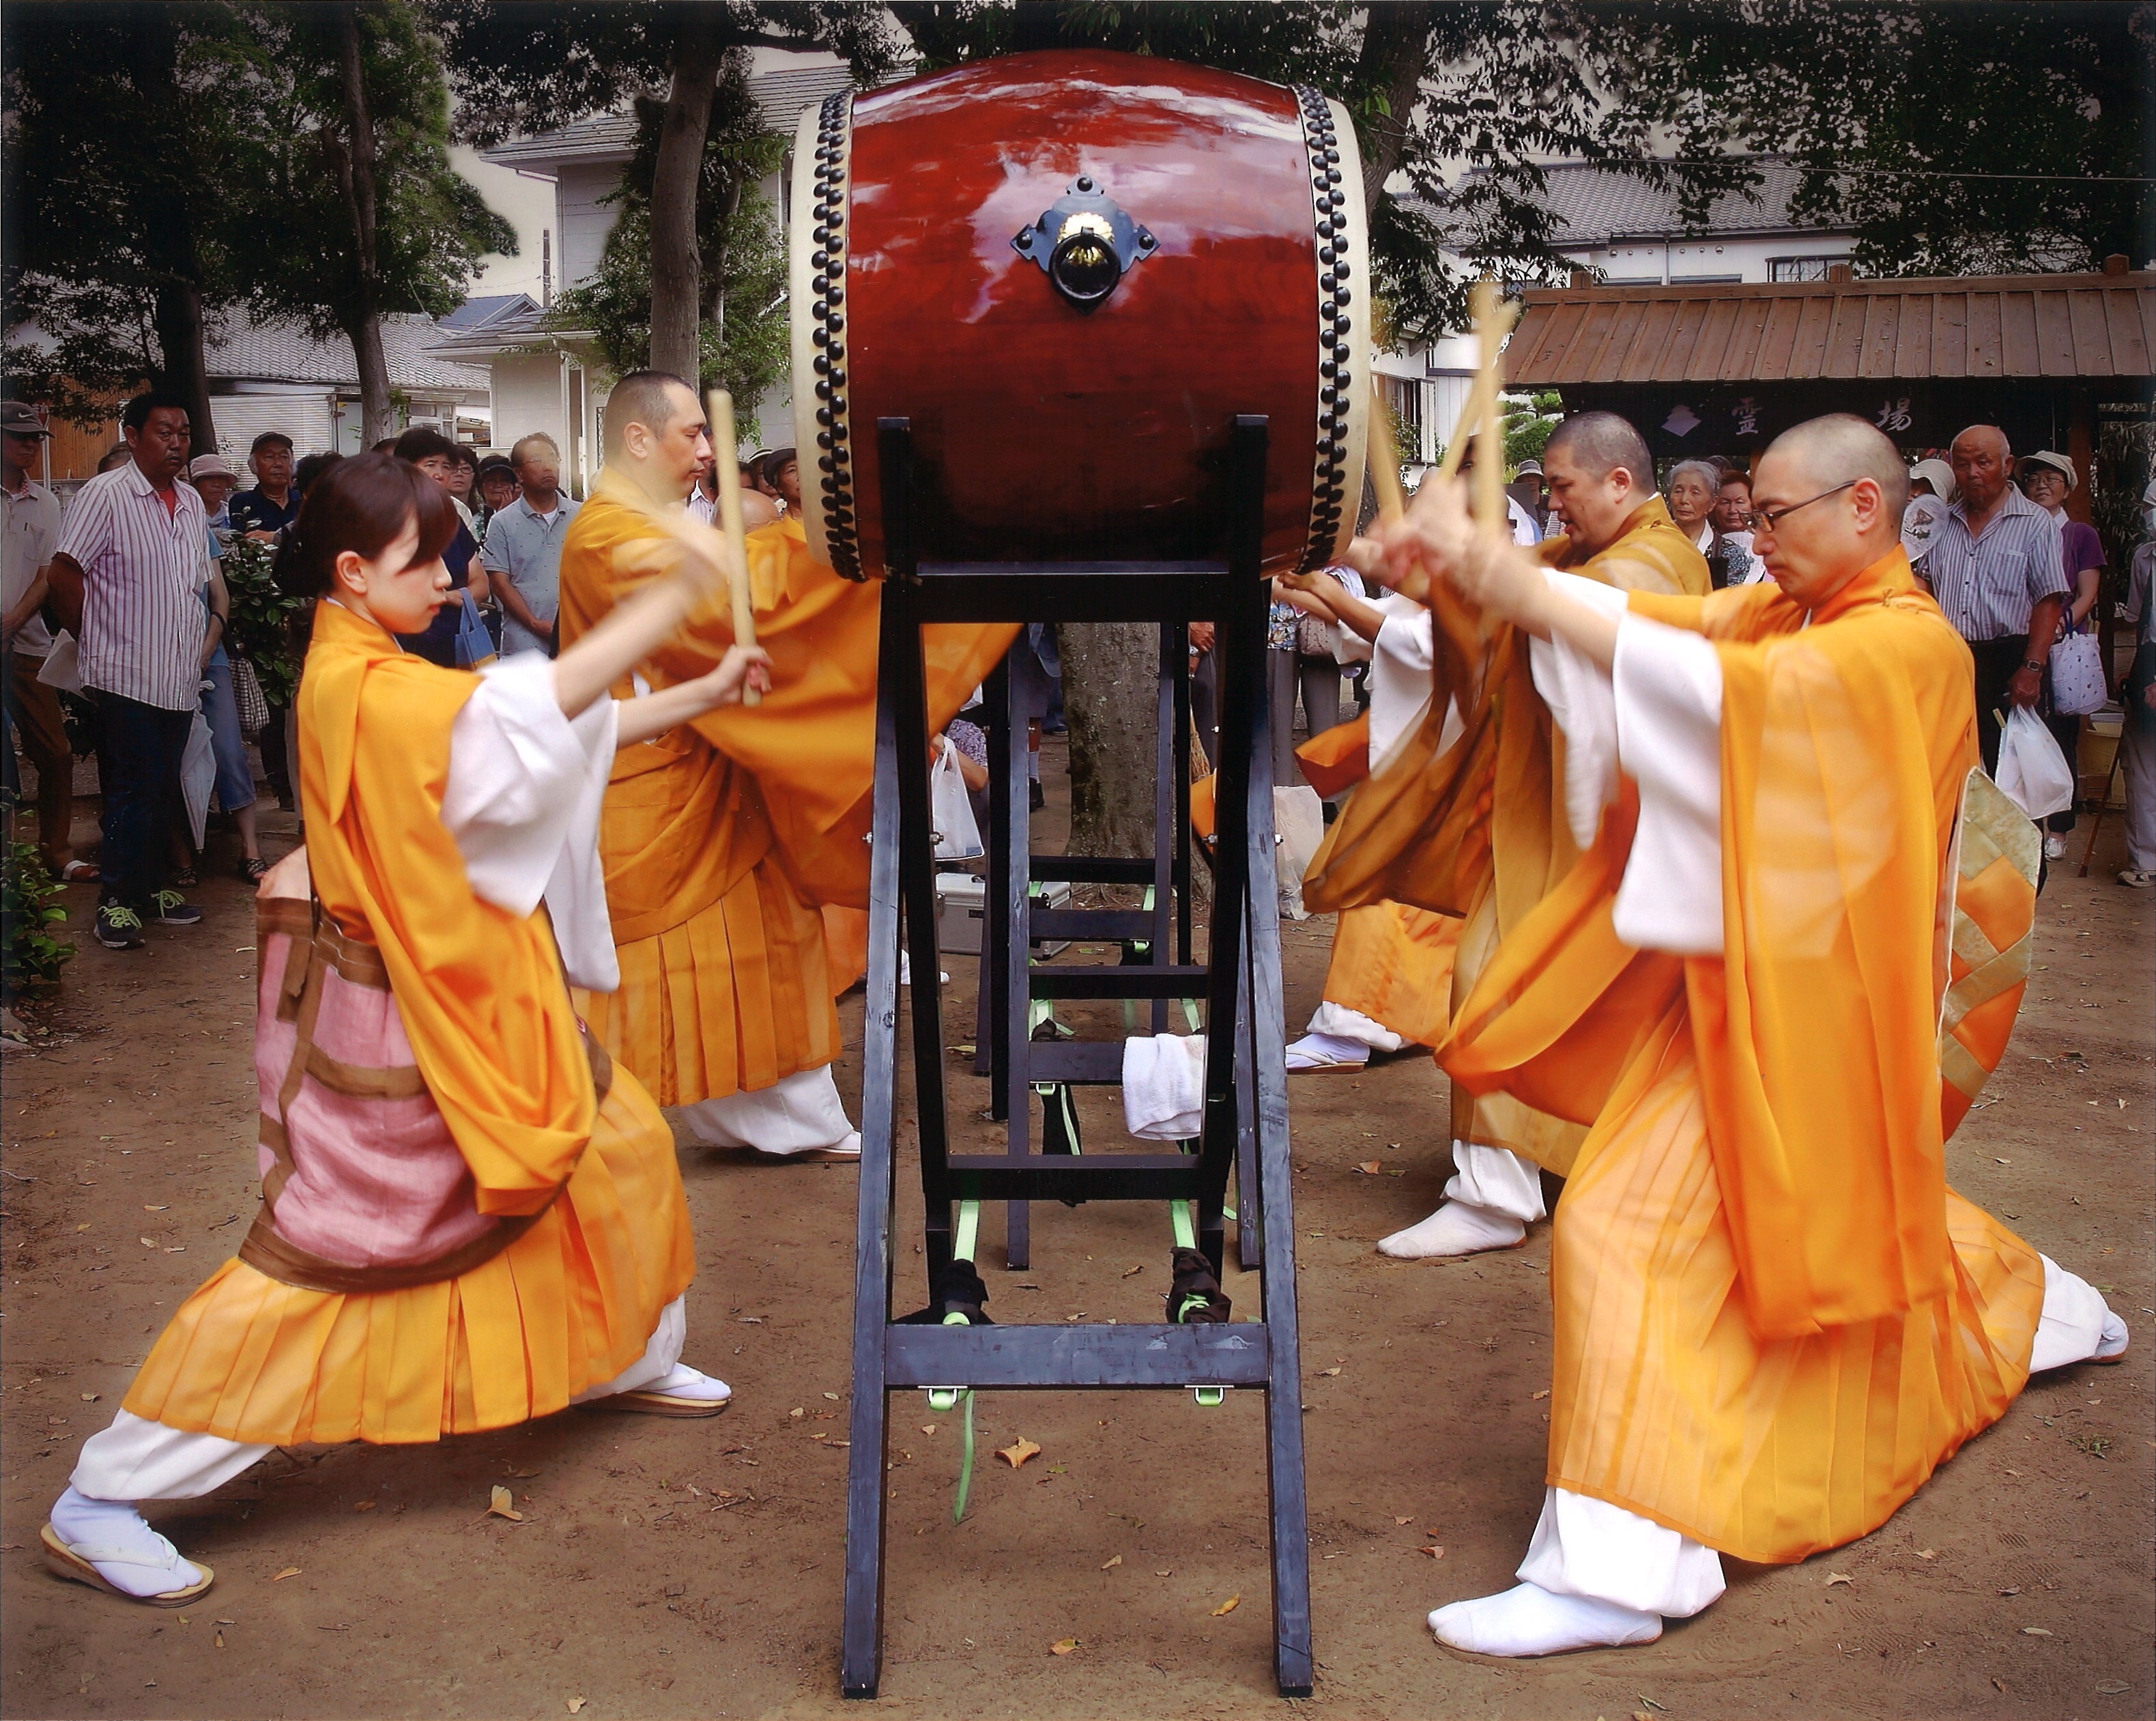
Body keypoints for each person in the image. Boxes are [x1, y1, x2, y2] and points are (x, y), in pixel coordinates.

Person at [1366, 413, 2125, 1658]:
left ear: (1863, 511)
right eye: (1746, 512)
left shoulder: (1903, 649)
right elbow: (1673, 637)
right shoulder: (1791, 613)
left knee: (1620, 1226)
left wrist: (1517, 583)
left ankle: (1616, 1569)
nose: (1743, 532)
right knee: (1828, 1210)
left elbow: (1718, 690)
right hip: (1741, 986)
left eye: (1768, 514)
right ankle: (2037, 1306)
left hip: (1818, 1007)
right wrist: (1485, 580)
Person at [38, 451, 766, 1608]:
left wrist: (699, 686)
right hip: (406, 1023)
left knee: (614, 1148)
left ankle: (622, 1356)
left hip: (459, 996)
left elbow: (538, 738)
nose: (449, 578)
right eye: (421, 561)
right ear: (347, 572)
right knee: (326, 1260)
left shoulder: (379, 667)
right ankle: (106, 1492)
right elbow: (528, 709)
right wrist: (676, 600)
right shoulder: (360, 687)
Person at [556, 371, 1010, 1160]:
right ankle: (580, 1117)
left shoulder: (640, 523)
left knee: (765, 944)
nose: (705, 449)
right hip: (653, 781)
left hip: (717, 770)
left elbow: (736, 579)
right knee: (653, 966)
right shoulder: (604, 535)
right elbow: (734, 599)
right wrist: (822, 544)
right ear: (638, 439)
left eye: (706, 432)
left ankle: (794, 1123)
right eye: (691, 433)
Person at [1304, 410, 1708, 1260]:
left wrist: (1453, 566)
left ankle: (1497, 1191)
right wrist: (1396, 566)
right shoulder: (1592, 550)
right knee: (1522, 984)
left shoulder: (1655, 558)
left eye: (1561, 486)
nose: (1552, 505)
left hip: (1603, 833)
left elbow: (1560, 607)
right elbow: (1508, 590)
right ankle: (1525, 1170)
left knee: (1496, 979)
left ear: (1618, 483)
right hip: (1560, 824)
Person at [1273, 569, 1458, 1075]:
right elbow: (1367, 621)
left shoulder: (1478, 593)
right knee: (1409, 905)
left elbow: (1399, 635)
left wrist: (1327, 590)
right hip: (1411, 763)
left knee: (1379, 891)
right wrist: (1280, 585)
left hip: (1443, 766)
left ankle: (1349, 1029)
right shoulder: (1421, 595)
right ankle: (1390, 1021)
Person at [46, 393, 209, 950]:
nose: (176, 443)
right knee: (133, 787)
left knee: (165, 785)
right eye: (164, 432)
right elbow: (66, 572)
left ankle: (147, 889)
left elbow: (191, 586)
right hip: (124, 671)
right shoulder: (106, 495)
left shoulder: (189, 501)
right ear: (133, 434)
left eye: (183, 433)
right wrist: (91, 636)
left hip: (179, 673)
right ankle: (115, 900)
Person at [1922, 425, 2067, 776]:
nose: (1972, 473)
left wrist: (2032, 669)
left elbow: (2048, 600)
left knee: (2013, 773)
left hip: (2010, 660)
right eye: (1962, 464)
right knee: (1951, 768)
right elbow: (1921, 582)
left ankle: (2025, 833)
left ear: (2006, 465)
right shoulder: (1940, 522)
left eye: (1983, 462)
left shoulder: (2036, 524)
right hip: (1951, 660)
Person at [1, 400, 83, 880]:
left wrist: (12, 620)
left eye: (34, 437)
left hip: (28, 639)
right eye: (18, 436)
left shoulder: (47, 501)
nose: (29, 444)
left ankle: (56, 850)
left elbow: (47, 572)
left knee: (55, 750)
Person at [2020, 451, 2105, 860]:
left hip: (2065, 645)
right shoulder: (2019, 529)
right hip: (2023, 643)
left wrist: (2061, 621)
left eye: (2052, 479)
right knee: (2022, 733)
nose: (2042, 485)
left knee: (2062, 736)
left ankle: (2059, 828)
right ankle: (2026, 824)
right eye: (2035, 478)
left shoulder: (2080, 534)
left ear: (2068, 488)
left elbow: (2089, 592)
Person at [186, 456, 267, 884]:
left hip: (209, 654)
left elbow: (220, 595)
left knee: (231, 751)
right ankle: (180, 855)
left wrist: (209, 644)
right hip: (156, 660)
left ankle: (250, 849)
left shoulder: (200, 526)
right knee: (167, 756)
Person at [230, 432, 305, 810]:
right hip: (265, 614)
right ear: (253, 465)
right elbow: (242, 547)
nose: (277, 463)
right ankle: (282, 786)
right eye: (268, 457)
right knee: (276, 704)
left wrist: (274, 538)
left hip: (304, 612)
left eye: (283, 456)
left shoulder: (303, 500)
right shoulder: (242, 503)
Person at [388, 426, 487, 666]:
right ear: (406, 468)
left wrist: (453, 597)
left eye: (446, 466)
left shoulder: (451, 520)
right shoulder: (388, 521)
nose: (440, 474)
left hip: (456, 644)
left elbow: (481, 583)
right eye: (430, 465)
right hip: (403, 647)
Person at [480, 432, 580, 657]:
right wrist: (534, 623)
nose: (548, 467)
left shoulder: (582, 514)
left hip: (577, 639)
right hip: (524, 644)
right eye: (537, 460)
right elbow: (500, 583)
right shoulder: (502, 522)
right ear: (519, 474)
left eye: (553, 459)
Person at [2116, 480, 2156, 890]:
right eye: (2147, 506)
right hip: (2149, 660)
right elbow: (2138, 619)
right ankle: (2146, 858)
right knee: (2142, 764)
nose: (2149, 514)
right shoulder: (2144, 557)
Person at [1664, 458, 1751, 589]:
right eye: (1678, 491)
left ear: (1713, 503)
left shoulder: (1729, 553)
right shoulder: (1653, 541)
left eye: (1695, 492)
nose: (1684, 500)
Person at [1711, 468, 1768, 583]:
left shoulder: (1767, 542)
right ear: (1713, 505)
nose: (1732, 510)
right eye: (1725, 502)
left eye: (1740, 502)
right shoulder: (1706, 544)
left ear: (1752, 505)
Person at [1901, 455, 1957, 572]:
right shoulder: (1881, 517)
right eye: (1914, 484)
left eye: (1928, 492)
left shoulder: (1942, 542)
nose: (1916, 494)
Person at [474, 455, 519, 539]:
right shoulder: (472, 522)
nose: (498, 485)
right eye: (491, 480)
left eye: (504, 481)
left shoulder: (524, 519)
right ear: (480, 487)